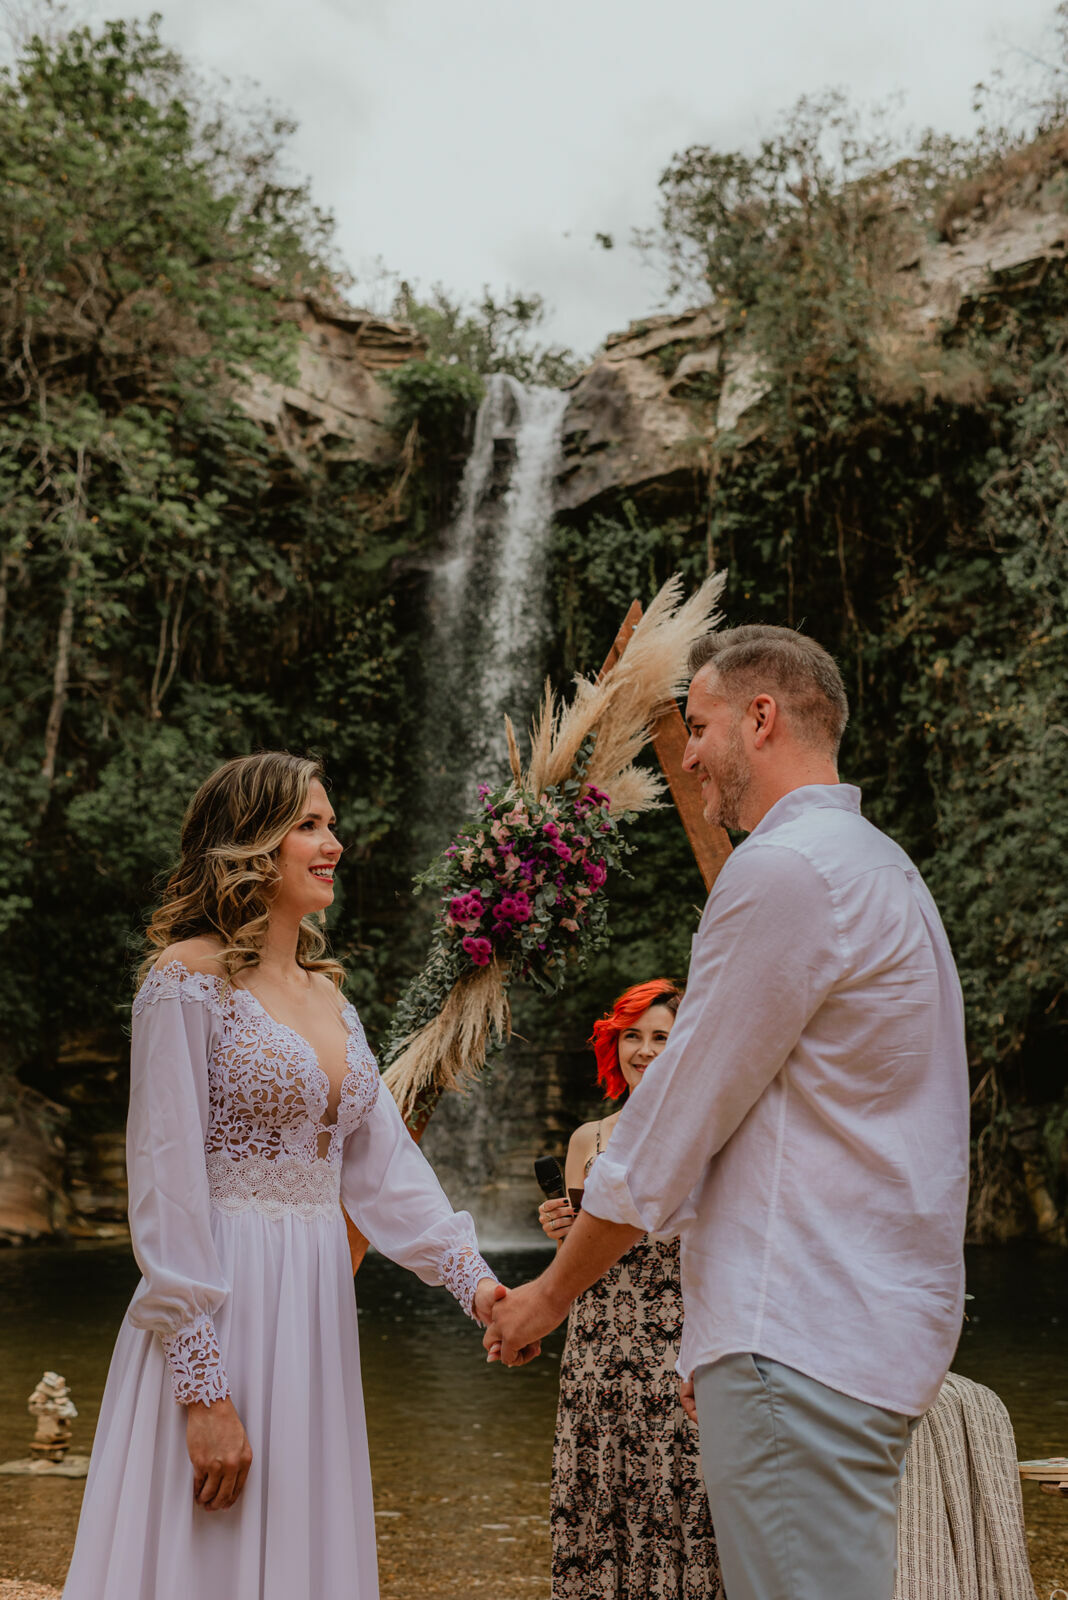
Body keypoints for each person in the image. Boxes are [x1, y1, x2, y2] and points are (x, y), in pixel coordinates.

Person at [486, 624, 971, 1600]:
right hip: (852, 1323)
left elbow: (675, 1120)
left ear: (761, 717)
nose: (689, 756)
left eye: (699, 727)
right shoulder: (884, 869)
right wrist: (718, 1333)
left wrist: (549, 1294)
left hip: (802, 1330)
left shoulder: (787, 871)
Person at [63, 752, 503, 1600]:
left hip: (313, 1307)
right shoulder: (184, 980)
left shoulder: (332, 1000)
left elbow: (384, 1171)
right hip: (220, 1306)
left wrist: (479, 1288)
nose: (333, 843)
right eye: (309, 825)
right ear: (251, 843)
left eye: (330, 824)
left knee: (301, 1538)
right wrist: (203, 1392)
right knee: (205, 1553)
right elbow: (163, 1182)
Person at [537, 979, 720, 1600]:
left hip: (676, 1341)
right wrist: (562, 1232)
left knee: (683, 1497)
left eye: (661, 1037)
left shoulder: (706, 1130)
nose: (643, 1050)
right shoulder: (587, 1139)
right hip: (596, 1348)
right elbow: (578, 1259)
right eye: (631, 1036)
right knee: (601, 1497)